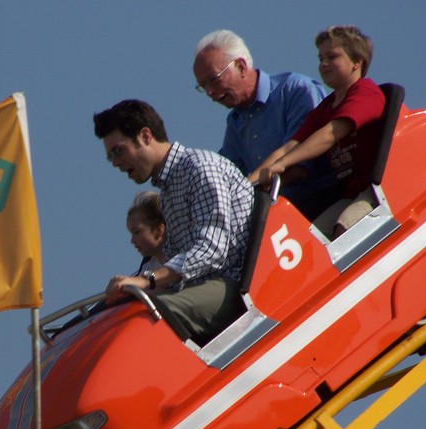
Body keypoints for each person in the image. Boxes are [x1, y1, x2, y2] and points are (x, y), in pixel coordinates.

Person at [93, 99, 254, 345]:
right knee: (119, 314)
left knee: (144, 319)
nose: (115, 162)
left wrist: (147, 281)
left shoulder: (200, 168)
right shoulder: (169, 189)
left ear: (145, 136)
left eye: (118, 151)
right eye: (110, 157)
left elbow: (211, 250)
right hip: (200, 289)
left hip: (233, 287)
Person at [258, 25, 385, 238]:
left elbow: (330, 134)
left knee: (344, 227)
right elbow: (291, 145)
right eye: (320, 58)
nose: (323, 64)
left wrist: (282, 165)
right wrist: (250, 183)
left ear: (357, 62)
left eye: (332, 56)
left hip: (379, 189)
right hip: (351, 193)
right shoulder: (326, 107)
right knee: (311, 238)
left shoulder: (366, 94)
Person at [193, 29, 335, 220]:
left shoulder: (296, 90)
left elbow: (301, 166)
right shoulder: (236, 122)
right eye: (203, 87)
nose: (210, 92)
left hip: (324, 205)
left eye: (214, 80)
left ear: (241, 67)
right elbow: (224, 177)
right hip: (279, 221)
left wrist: (248, 190)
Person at [126, 190, 166, 275]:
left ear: (158, 230)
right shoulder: (147, 267)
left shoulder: (183, 260)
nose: (132, 241)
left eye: (136, 232)